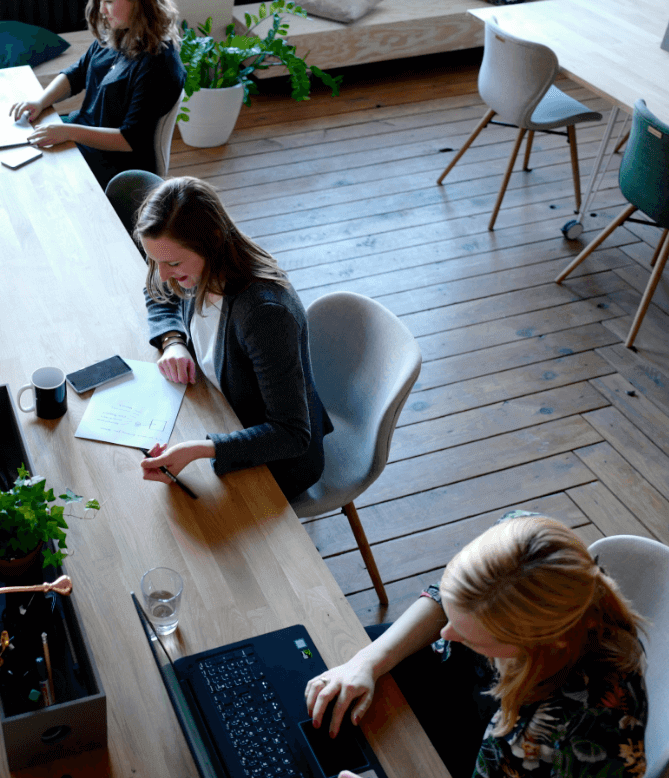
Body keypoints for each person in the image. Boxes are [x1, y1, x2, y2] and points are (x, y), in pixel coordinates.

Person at [306, 513, 648, 778]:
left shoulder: (560, 735)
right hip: (466, 688)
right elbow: (449, 598)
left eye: (471, 636)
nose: (446, 634)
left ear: (535, 643)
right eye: (451, 615)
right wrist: (368, 660)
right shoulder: (522, 541)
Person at [133, 177, 331, 501]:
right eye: (155, 260)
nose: (163, 273)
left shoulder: (264, 315)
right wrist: (173, 341)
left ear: (210, 241)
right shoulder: (198, 261)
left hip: (275, 461)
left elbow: (292, 435)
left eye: (172, 263)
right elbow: (159, 290)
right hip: (220, 409)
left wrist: (203, 449)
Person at [8, 0, 185, 190]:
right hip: (83, 135)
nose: (102, 9)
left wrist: (68, 132)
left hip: (116, 165)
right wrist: (41, 101)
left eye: (109, 1)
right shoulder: (117, 33)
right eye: (101, 0)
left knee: (35, 177)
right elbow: (77, 73)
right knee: (22, 148)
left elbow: (128, 139)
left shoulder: (158, 64)